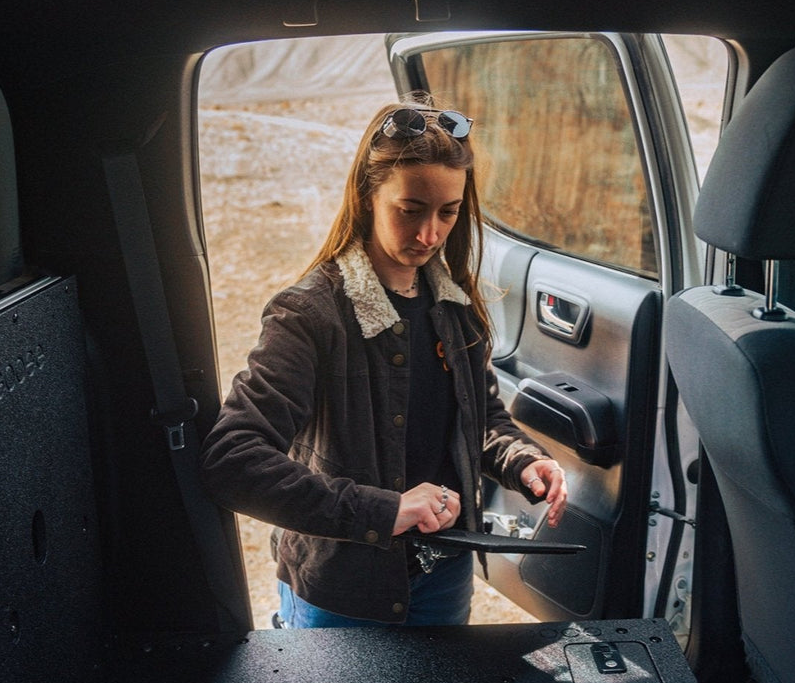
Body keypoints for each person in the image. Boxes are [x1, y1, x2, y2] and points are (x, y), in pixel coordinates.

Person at [200, 96, 567, 627]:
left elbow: (483, 420)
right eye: (410, 210)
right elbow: (233, 460)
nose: (430, 235)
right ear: (367, 196)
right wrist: (385, 510)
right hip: (343, 590)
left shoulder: (455, 306)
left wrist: (524, 461)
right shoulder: (309, 315)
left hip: (446, 571)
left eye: (448, 212)